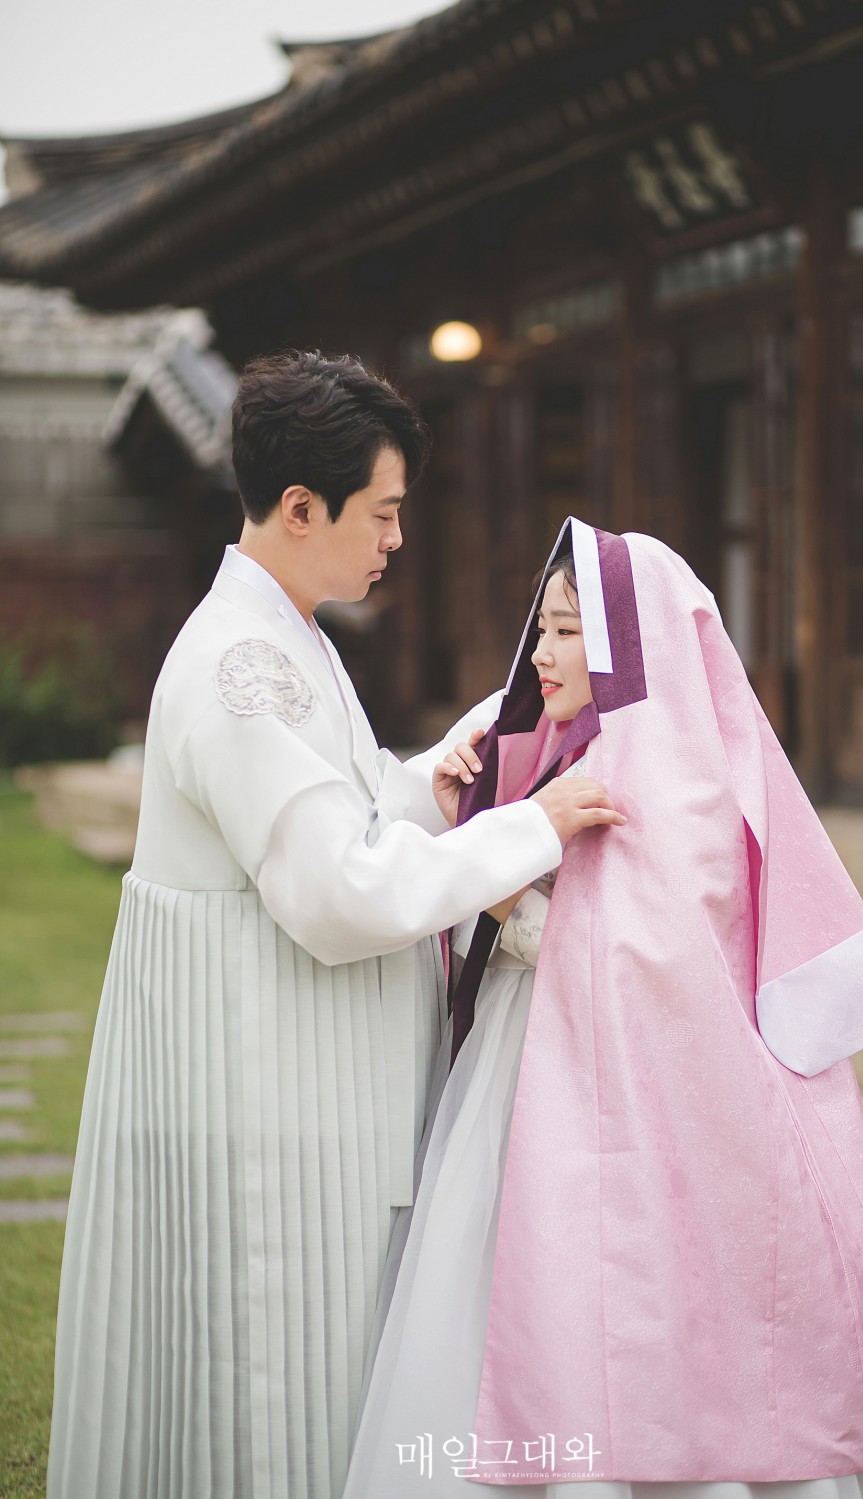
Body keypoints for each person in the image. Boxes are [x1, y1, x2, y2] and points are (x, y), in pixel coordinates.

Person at [46, 357, 623, 1499]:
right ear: (301, 507)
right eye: (384, 511)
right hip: (268, 1095)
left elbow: (331, 816)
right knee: (277, 1372)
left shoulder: (287, 635)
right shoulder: (243, 667)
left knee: (312, 1366)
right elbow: (335, 892)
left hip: (298, 1076)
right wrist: (532, 827)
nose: (398, 539)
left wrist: (425, 790)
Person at [344, 517, 863, 1499]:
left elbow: (640, 954)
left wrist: (489, 885)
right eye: (541, 628)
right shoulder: (560, 745)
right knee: (526, 1288)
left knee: (626, 1288)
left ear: (631, 641)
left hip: (623, 1092)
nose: (541, 653)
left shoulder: (661, 776)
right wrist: (476, 822)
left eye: (567, 631)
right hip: (533, 1069)